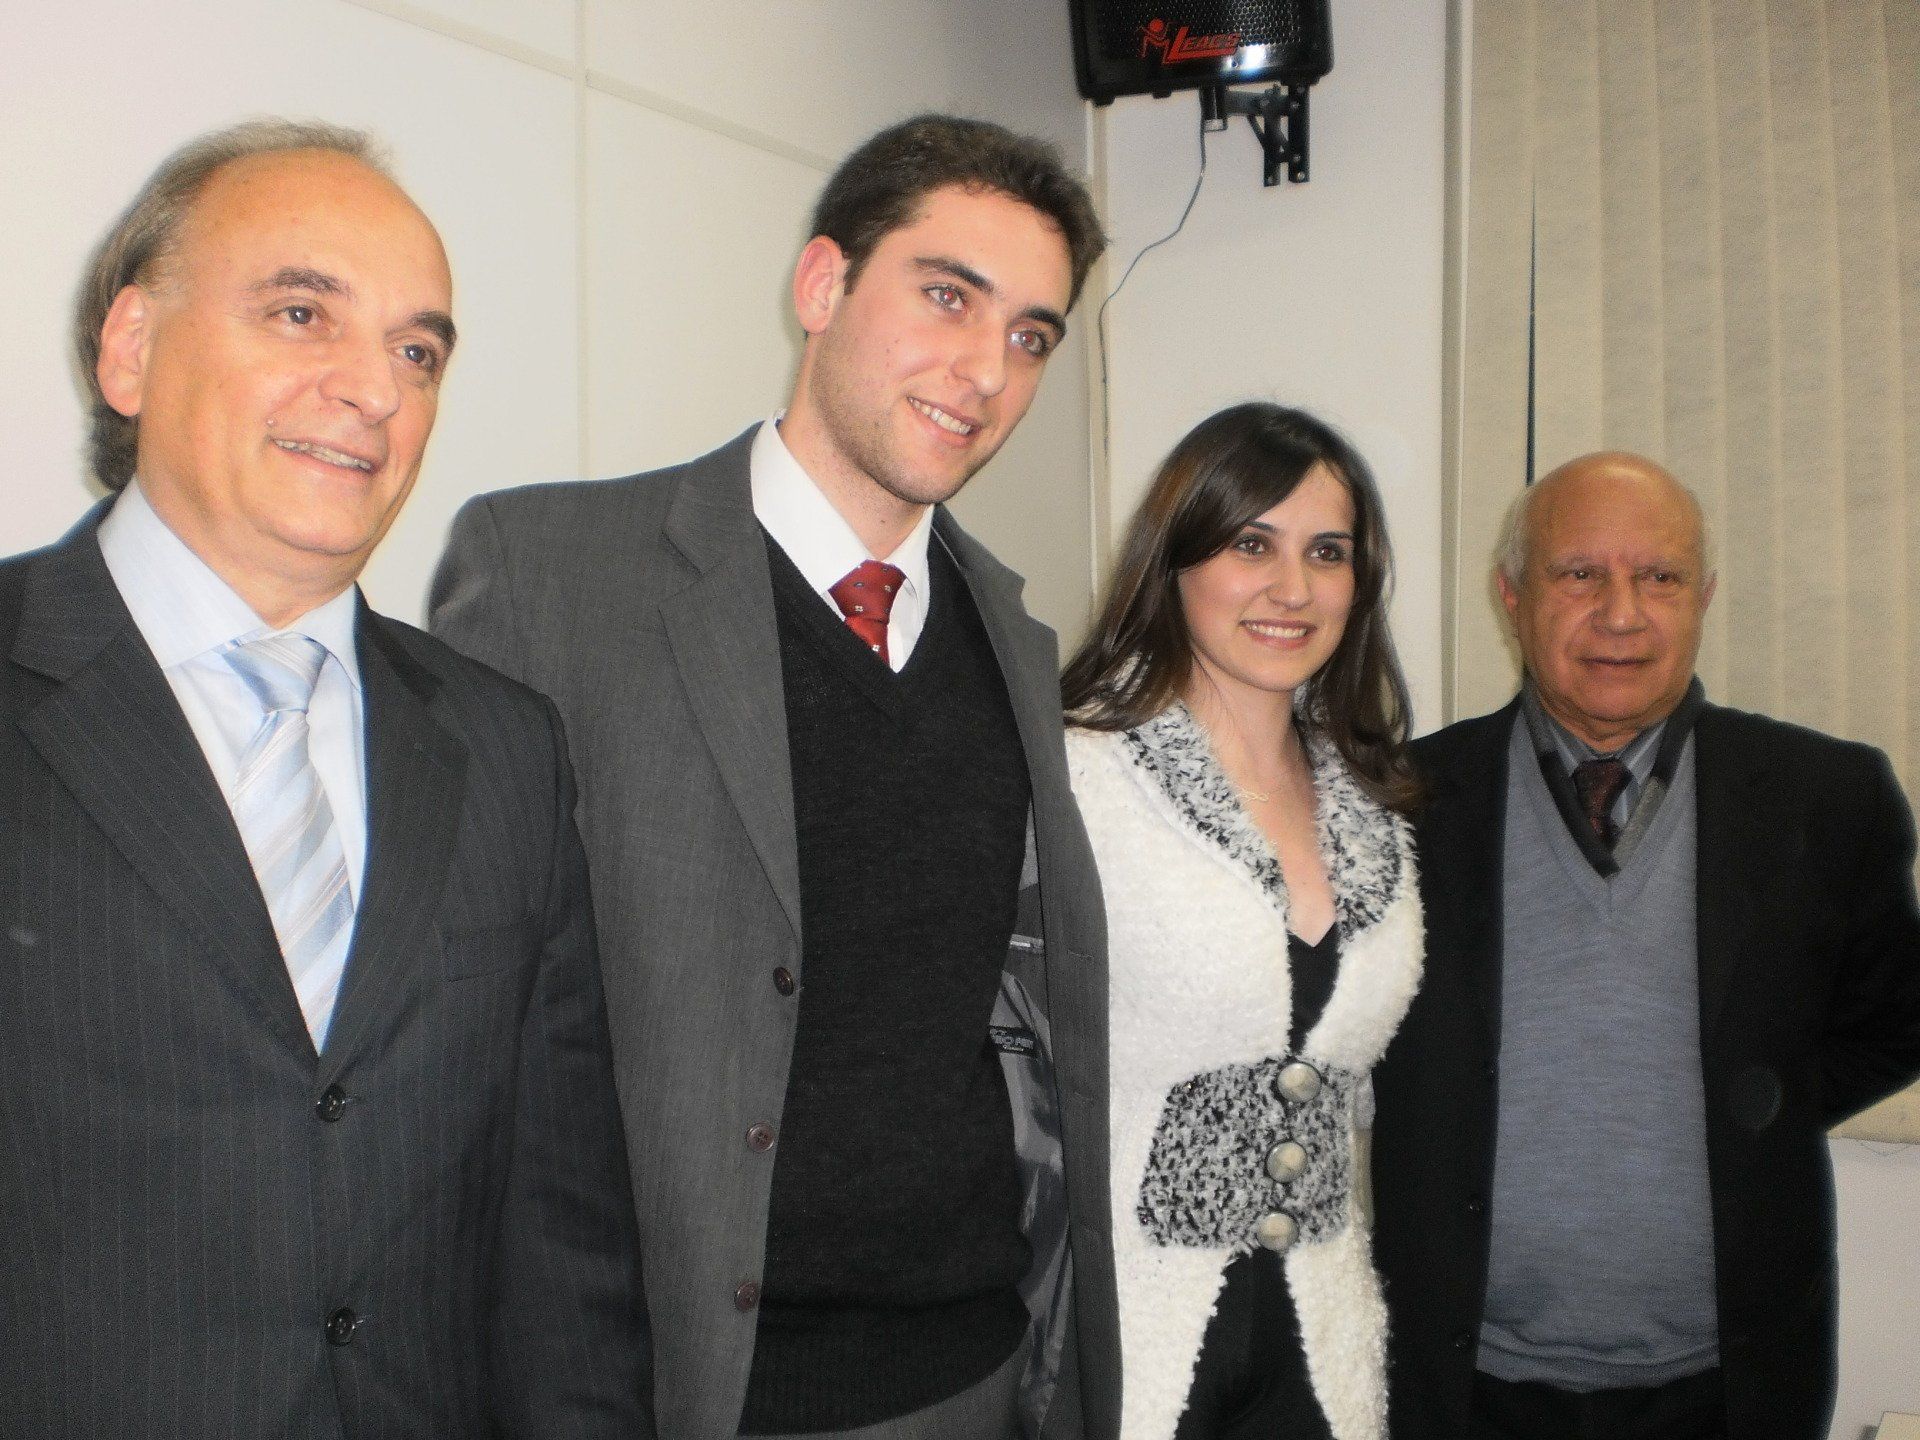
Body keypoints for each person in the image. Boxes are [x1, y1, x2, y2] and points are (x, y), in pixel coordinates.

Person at [430, 114, 1116, 1440]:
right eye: (948, 296)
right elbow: (458, 1028)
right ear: (821, 284)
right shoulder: (553, 575)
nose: (986, 370)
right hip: (679, 1386)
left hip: (971, 1370)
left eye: (1031, 335)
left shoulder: (1018, 641)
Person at [0, 120, 652, 1438]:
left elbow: (564, 1245)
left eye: (418, 352)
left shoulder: (507, 745)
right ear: (130, 349)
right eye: (302, 314)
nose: (376, 390)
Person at [1371, 452, 1920, 1440]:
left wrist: (1748, 1112)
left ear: (1702, 597)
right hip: (1460, 1382)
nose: (1621, 614)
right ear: (1512, 595)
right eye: (1579, 573)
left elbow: (1894, 1023)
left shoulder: (1828, 800)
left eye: (1659, 577)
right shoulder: (1397, 807)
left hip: (1729, 1385)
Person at [1059, 403, 1425, 1440]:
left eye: (1328, 553)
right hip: (1122, 1332)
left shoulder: (1375, 807)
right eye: (1252, 545)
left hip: (1319, 1336)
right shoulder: (1078, 777)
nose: (1293, 589)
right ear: (1174, 562)